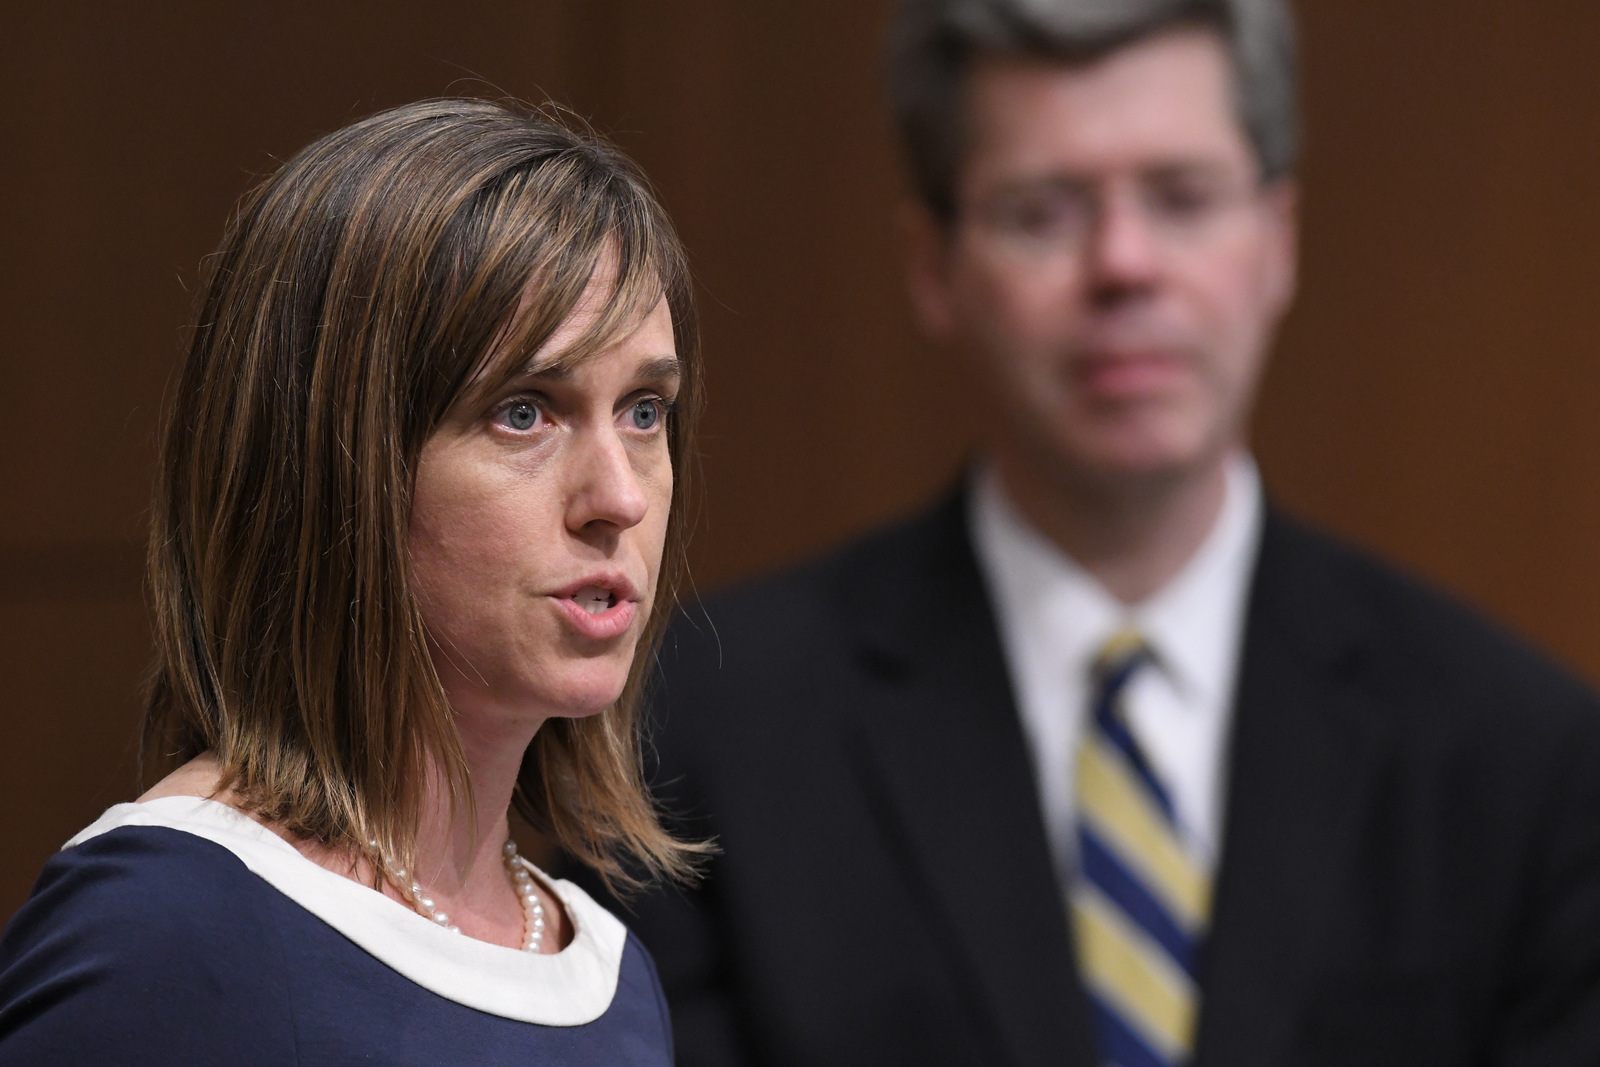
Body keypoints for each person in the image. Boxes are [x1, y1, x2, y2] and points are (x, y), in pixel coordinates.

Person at [603, 2, 1600, 1065]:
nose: (1123, 263)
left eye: (1183, 197)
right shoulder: (694, 735)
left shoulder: (1521, 759)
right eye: (1041, 211)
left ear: (1279, 239)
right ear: (933, 265)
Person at [0, 98, 706, 1064]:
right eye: (525, 412)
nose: (618, 498)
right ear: (335, 467)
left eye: (644, 411)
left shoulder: (605, 974)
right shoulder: (164, 931)